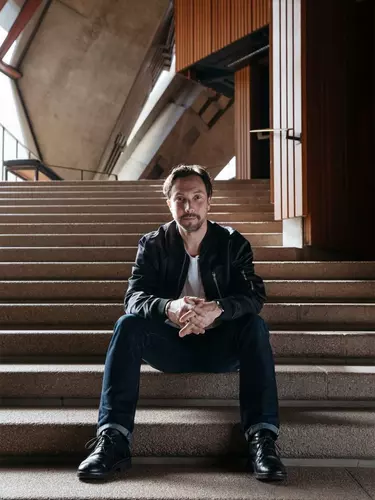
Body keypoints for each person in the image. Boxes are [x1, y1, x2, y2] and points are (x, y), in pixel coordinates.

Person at [77, 164, 287, 482]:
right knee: (127, 324)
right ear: (169, 203)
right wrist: (168, 307)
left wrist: (218, 309)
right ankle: (113, 439)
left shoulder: (233, 243)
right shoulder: (152, 244)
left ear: (209, 201)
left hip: (221, 346)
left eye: (196, 197)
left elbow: (254, 295)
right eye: (180, 199)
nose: (188, 207)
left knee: (255, 325)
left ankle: (262, 439)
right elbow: (133, 298)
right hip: (170, 347)